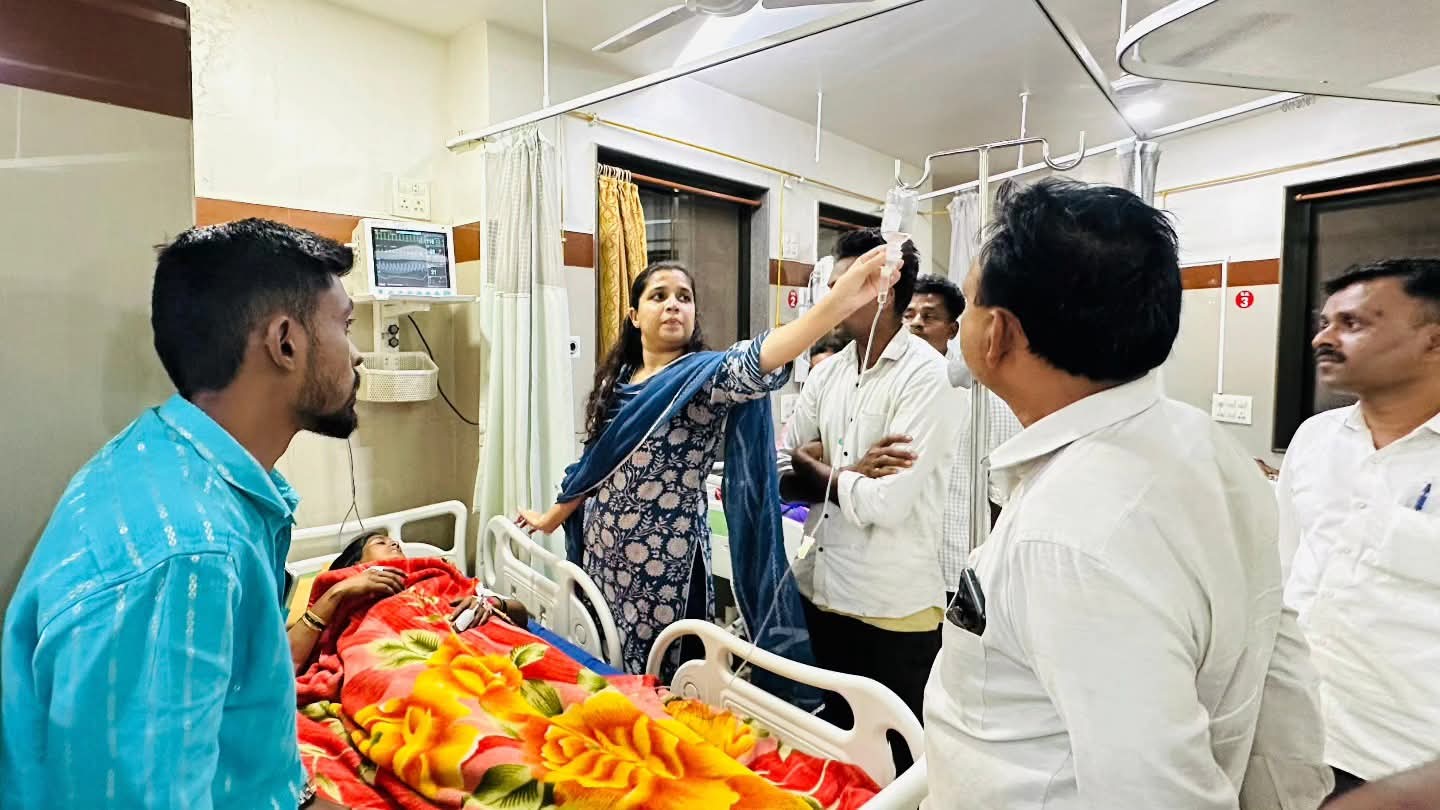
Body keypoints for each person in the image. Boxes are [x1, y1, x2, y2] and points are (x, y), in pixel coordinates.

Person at [924, 179, 1330, 809]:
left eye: (969, 305)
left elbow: (1155, 794)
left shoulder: (1071, 534)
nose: (957, 331)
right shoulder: (1202, 444)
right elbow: (1278, 667)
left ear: (998, 332)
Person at [1, 219, 360, 810]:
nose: (357, 352)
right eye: (344, 326)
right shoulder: (187, 556)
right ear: (285, 342)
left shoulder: (169, 460)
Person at [517, 253, 897, 676]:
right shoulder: (620, 379)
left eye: (684, 297)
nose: (673, 305)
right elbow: (592, 465)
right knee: (602, 665)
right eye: (658, 296)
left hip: (664, 571)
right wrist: (551, 519)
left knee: (662, 682)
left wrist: (838, 304)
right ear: (634, 316)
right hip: (603, 556)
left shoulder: (704, 380)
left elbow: (762, 357)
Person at [779, 229, 964, 727]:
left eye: (843, 283)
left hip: (889, 609)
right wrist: (849, 474)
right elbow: (783, 471)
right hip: (818, 593)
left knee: (894, 757)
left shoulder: (927, 376)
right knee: (830, 743)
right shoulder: (827, 374)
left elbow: (886, 504)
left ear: (880, 289)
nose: (831, 295)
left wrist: (817, 469)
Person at [1276, 257, 1440, 800]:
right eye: (1325, 322)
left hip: (1407, 764)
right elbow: (1284, 571)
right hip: (1295, 735)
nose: (1324, 338)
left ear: (1434, 341)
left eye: (1353, 323)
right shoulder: (1316, 439)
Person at [903, 273, 1024, 600]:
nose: (916, 323)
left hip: (954, 562)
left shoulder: (984, 399)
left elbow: (1006, 493)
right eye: (908, 314)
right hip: (896, 565)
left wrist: (992, 567)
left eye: (929, 316)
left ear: (953, 330)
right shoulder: (892, 390)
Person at [286, 530, 527, 671]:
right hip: (399, 665)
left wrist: (493, 604)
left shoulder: (437, 573)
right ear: (356, 564)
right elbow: (287, 660)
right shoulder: (340, 591)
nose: (394, 543)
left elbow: (522, 615)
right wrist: (337, 591)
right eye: (380, 542)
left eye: (394, 542)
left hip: (481, 653)